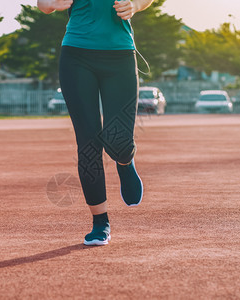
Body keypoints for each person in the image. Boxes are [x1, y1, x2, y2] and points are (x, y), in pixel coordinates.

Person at [38, 0, 154, 246]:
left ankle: (125, 160)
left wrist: (135, 5)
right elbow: (43, 3)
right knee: (88, 142)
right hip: (76, 56)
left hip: (120, 55)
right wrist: (52, 4)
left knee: (118, 140)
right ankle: (100, 222)